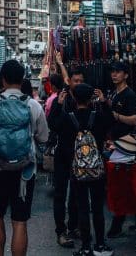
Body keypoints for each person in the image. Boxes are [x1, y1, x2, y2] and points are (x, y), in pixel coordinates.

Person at [0, 59, 48, 256]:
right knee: (19, 221)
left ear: (3, 79)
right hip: (25, 171)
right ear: (23, 78)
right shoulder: (33, 105)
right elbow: (43, 138)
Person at [51, 83, 113, 256]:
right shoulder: (98, 116)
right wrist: (103, 102)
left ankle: (86, 247)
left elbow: (52, 125)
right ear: (91, 98)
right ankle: (100, 245)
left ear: (74, 98)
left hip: (77, 170)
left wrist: (58, 104)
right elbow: (111, 121)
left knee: (83, 207)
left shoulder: (67, 118)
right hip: (97, 169)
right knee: (98, 207)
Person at [48, 67, 86, 248]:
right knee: (60, 193)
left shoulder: (86, 99)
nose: (78, 84)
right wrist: (57, 106)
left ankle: (73, 225)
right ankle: (60, 231)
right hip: (63, 152)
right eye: (75, 81)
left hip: (79, 154)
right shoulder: (61, 100)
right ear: (69, 81)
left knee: (77, 192)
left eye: (81, 81)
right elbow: (53, 125)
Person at [106, 59, 136, 239]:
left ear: (126, 75)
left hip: (125, 147)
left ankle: (119, 223)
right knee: (118, 186)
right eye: (113, 71)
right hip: (115, 144)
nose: (114, 74)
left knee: (122, 187)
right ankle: (130, 221)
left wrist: (117, 115)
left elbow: (135, 120)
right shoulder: (115, 94)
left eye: (118, 71)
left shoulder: (129, 95)